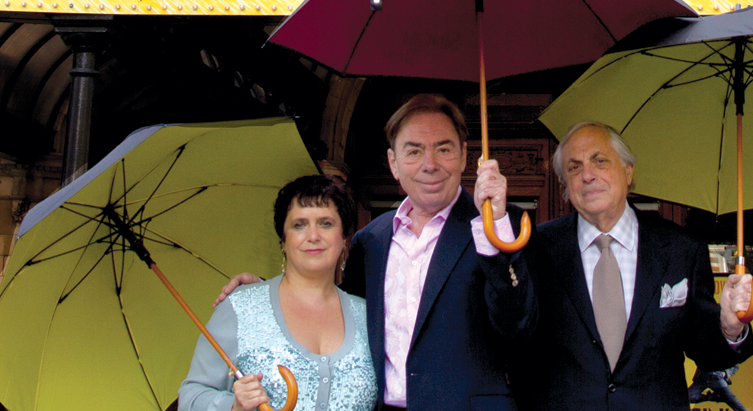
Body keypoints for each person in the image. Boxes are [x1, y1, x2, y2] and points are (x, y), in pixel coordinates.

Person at [219, 94, 537, 411]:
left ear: (465, 156)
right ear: (393, 163)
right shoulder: (371, 239)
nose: (430, 164)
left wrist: (493, 228)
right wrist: (267, 294)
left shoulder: (500, 224)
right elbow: (337, 311)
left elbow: (518, 326)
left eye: (444, 149)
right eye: (414, 151)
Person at [507, 122, 753, 410]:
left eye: (600, 161)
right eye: (574, 168)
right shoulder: (536, 249)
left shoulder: (680, 249)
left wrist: (729, 328)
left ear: (628, 171)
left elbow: (709, 354)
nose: (588, 175)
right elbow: (515, 342)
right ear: (564, 185)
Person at [180, 174, 377, 411]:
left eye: (326, 223)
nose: (313, 236)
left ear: (344, 238)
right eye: (299, 225)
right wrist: (233, 407)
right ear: (283, 240)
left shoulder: (368, 317)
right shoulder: (241, 308)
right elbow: (191, 397)